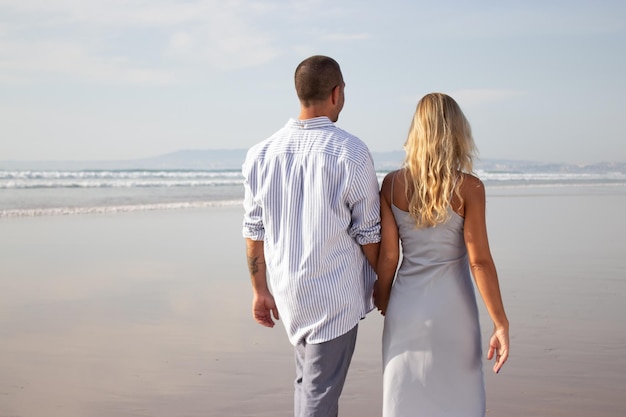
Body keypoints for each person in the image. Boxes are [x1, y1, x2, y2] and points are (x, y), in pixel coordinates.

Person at [242, 55, 381, 417]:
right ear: (336, 93)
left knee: (307, 385)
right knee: (319, 394)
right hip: (332, 296)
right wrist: (386, 283)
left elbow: (253, 232)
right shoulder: (351, 152)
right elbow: (369, 234)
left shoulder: (260, 154)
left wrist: (259, 290)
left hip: (290, 293)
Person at [374, 93, 510, 417]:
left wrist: (381, 298)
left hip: (406, 308)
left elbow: (390, 256)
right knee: (460, 401)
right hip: (455, 310)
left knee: (404, 398)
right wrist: (500, 322)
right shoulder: (470, 188)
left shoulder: (392, 184)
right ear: (457, 133)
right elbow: (479, 261)